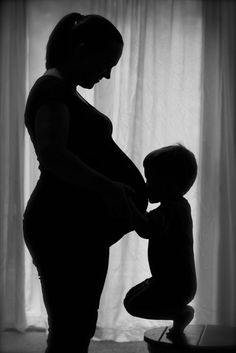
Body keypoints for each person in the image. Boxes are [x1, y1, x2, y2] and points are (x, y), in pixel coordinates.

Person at [23, 13, 148, 353]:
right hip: (61, 227)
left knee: (77, 326)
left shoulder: (62, 89)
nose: (106, 74)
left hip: (76, 228)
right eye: (104, 63)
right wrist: (110, 187)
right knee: (69, 329)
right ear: (80, 49)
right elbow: (53, 154)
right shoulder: (52, 89)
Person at [123, 144, 197, 338]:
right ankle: (178, 315)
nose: (146, 186)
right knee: (130, 298)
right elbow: (151, 222)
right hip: (171, 281)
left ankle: (180, 314)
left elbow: (146, 229)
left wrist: (128, 203)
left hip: (175, 285)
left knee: (133, 305)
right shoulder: (177, 207)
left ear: (171, 184)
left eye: (151, 180)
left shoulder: (172, 210)